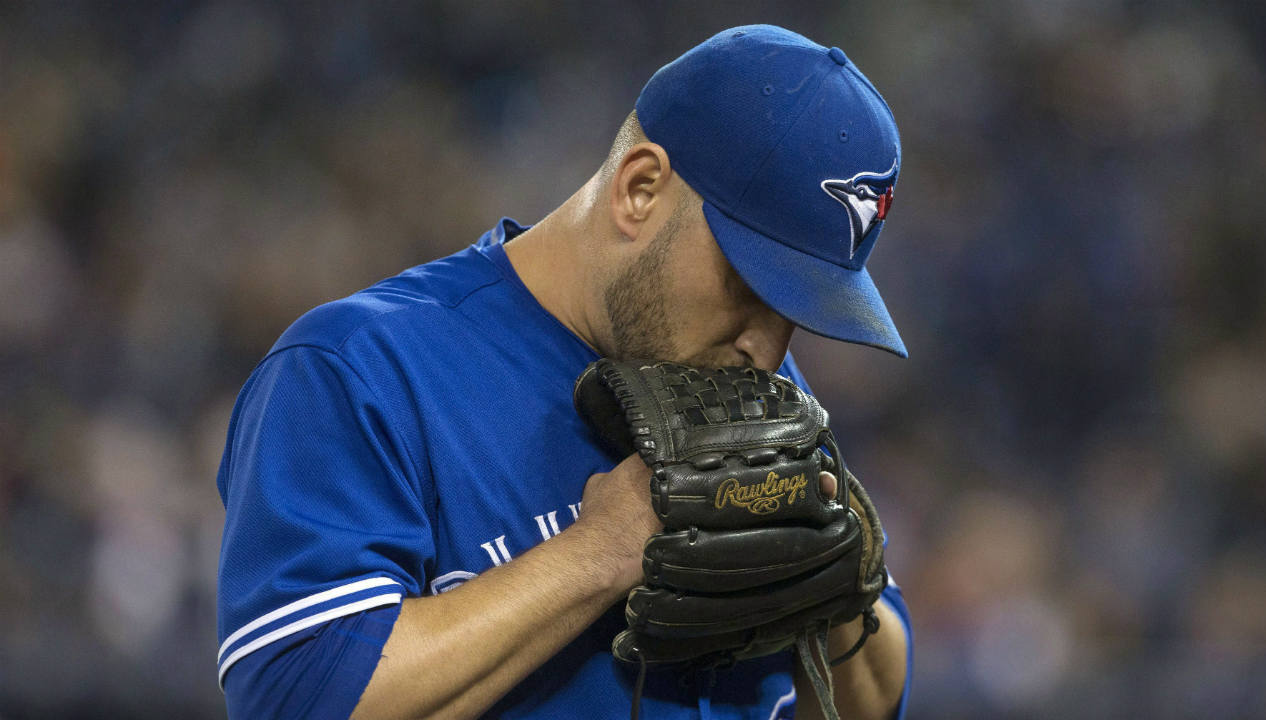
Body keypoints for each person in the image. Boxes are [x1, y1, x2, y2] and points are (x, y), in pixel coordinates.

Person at [216, 24, 912, 719]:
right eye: (750, 285)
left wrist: (839, 587)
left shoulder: (758, 383)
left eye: (798, 307)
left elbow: (876, 702)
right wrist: (599, 552)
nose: (768, 350)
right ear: (639, 189)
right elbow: (300, 699)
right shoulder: (362, 367)